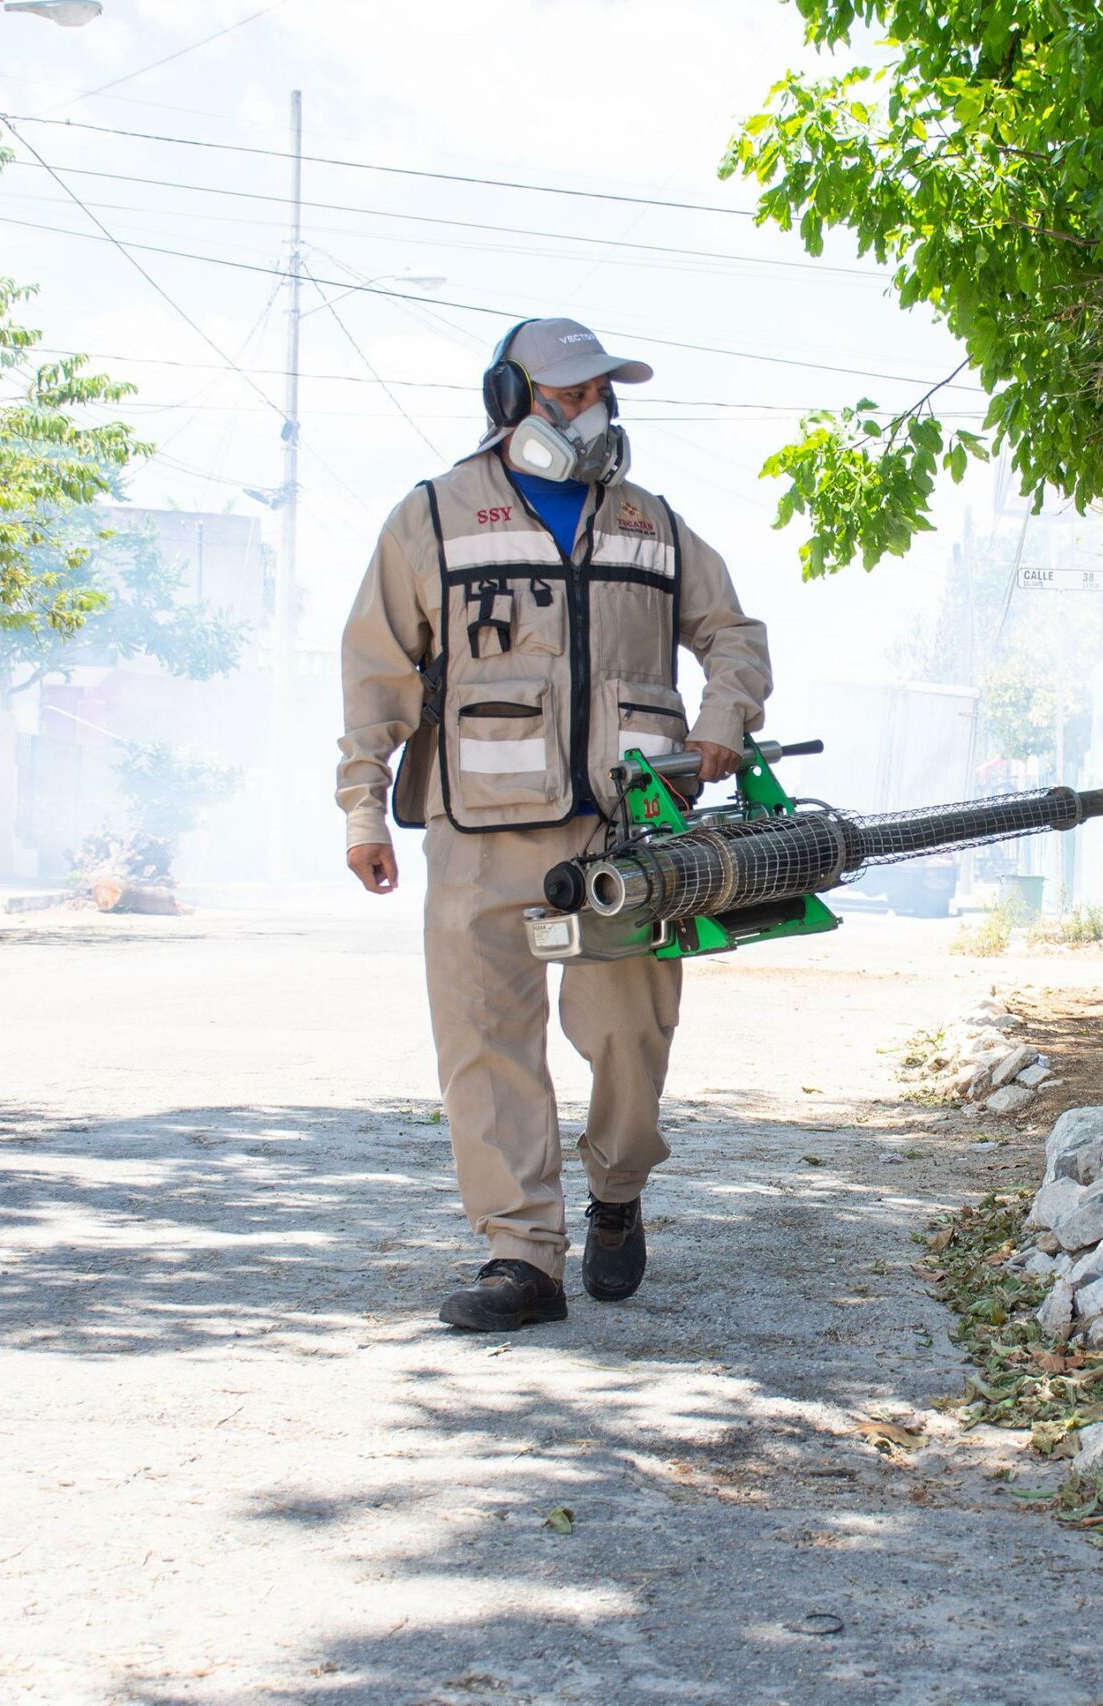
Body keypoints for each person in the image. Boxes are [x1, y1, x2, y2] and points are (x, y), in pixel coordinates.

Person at [336, 317, 772, 1331]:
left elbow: (733, 634)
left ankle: (617, 1191)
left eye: (599, 393)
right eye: (568, 394)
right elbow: (375, 672)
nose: (589, 410)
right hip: (480, 831)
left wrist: (719, 723)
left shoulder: (652, 523)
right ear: (508, 401)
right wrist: (364, 801)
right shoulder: (433, 518)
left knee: (628, 1034)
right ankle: (519, 1255)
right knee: (486, 1043)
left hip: (627, 833)